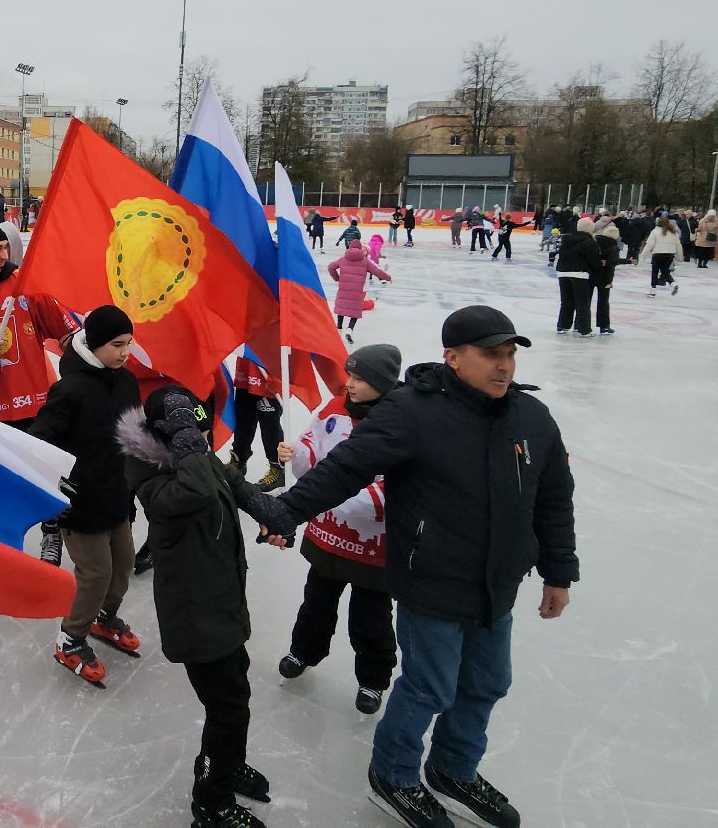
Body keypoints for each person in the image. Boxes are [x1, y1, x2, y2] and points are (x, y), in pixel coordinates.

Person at [241, 305, 576, 828]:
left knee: (487, 683)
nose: (504, 365)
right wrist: (284, 512)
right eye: (491, 354)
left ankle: (453, 770)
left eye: (510, 353)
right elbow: (346, 467)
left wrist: (558, 571)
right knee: (429, 687)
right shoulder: (413, 411)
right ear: (453, 357)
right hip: (433, 579)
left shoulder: (530, 417)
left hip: (498, 582)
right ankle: (393, 776)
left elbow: (553, 498)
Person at [119, 385, 280, 828]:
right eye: (192, 435)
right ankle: (211, 801)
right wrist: (190, 443)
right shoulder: (152, 480)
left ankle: (226, 762)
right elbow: (201, 491)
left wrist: (267, 509)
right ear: (170, 437)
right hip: (196, 614)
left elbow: (227, 480)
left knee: (235, 693)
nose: (203, 442)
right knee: (227, 708)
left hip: (222, 597)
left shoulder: (190, 456)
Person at [273, 344, 402, 713]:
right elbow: (314, 451)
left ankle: (373, 679)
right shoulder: (334, 409)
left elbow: (392, 487)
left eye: (360, 378)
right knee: (316, 602)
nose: (350, 384)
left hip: (372, 545)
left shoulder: (398, 424)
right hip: (328, 536)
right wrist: (297, 455)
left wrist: (331, 499)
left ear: (383, 383)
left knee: (370, 616)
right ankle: (304, 651)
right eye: (350, 375)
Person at [29, 306, 145, 687]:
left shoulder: (127, 382)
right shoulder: (70, 389)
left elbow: (132, 435)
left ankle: (104, 618)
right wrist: (57, 482)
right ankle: (71, 637)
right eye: (117, 345)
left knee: (123, 564)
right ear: (94, 344)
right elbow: (40, 439)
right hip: (80, 503)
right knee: (95, 574)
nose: (125, 352)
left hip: (116, 495)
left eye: (128, 343)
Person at [0, 218, 76, 563]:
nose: (4, 255)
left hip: (36, 404)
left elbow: (66, 331)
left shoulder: (24, 285)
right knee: (0, 480)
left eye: (6, 247)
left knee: (45, 474)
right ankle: (3, 540)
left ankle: (51, 534)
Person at [231, 355, 286, 491]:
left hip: (268, 369)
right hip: (247, 365)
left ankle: (278, 468)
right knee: (243, 419)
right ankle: (239, 461)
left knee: (269, 423)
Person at [331, 239, 392, 341]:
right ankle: (349, 329)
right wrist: (388, 278)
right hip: (358, 290)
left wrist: (337, 279)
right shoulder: (365, 262)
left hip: (344, 288)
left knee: (342, 307)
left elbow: (330, 267)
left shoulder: (342, 259)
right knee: (355, 310)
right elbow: (377, 271)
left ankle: (339, 328)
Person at [554, 217, 601, 337]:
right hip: (580, 274)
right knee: (582, 303)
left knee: (566, 301)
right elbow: (594, 261)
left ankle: (562, 326)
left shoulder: (567, 240)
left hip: (563, 272)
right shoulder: (590, 242)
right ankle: (584, 329)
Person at [592, 219, 622, 335]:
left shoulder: (595, 243)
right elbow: (612, 263)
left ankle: (579, 324)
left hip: (592, 274)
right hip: (604, 278)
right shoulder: (613, 247)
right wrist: (609, 281)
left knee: (585, 301)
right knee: (603, 302)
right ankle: (604, 326)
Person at [641, 215, 683, 296]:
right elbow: (678, 245)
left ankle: (653, 290)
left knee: (655, 272)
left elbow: (649, 244)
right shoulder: (673, 232)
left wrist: (643, 254)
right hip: (670, 254)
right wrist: (679, 256)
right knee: (665, 271)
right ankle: (673, 283)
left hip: (658, 254)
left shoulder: (655, 231)